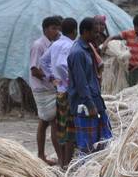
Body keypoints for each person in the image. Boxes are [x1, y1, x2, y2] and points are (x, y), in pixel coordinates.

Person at [67, 17, 112, 156]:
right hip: (85, 105)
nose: (97, 35)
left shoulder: (88, 49)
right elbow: (81, 83)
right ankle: (85, 168)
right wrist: (90, 104)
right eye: (95, 32)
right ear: (85, 32)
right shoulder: (78, 53)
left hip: (94, 100)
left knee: (103, 140)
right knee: (87, 145)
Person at [29, 15, 63, 165]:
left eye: (58, 28)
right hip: (43, 89)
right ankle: (61, 158)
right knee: (53, 121)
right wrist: (51, 78)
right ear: (45, 30)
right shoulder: (39, 45)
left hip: (50, 88)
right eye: (53, 28)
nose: (57, 31)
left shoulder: (54, 44)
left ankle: (41, 155)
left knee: (44, 122)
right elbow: (34, 70)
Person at [46, 17, 78, 167]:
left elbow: (43, 61)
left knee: (62, 129)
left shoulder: (55, 44)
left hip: (60, 92)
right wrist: (68, 80)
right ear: (75, 31)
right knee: (70, 130)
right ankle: (66, 163)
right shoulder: (70, 45)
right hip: (68, 93)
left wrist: (52, 78)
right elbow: (61, 64)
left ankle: (63, 162)